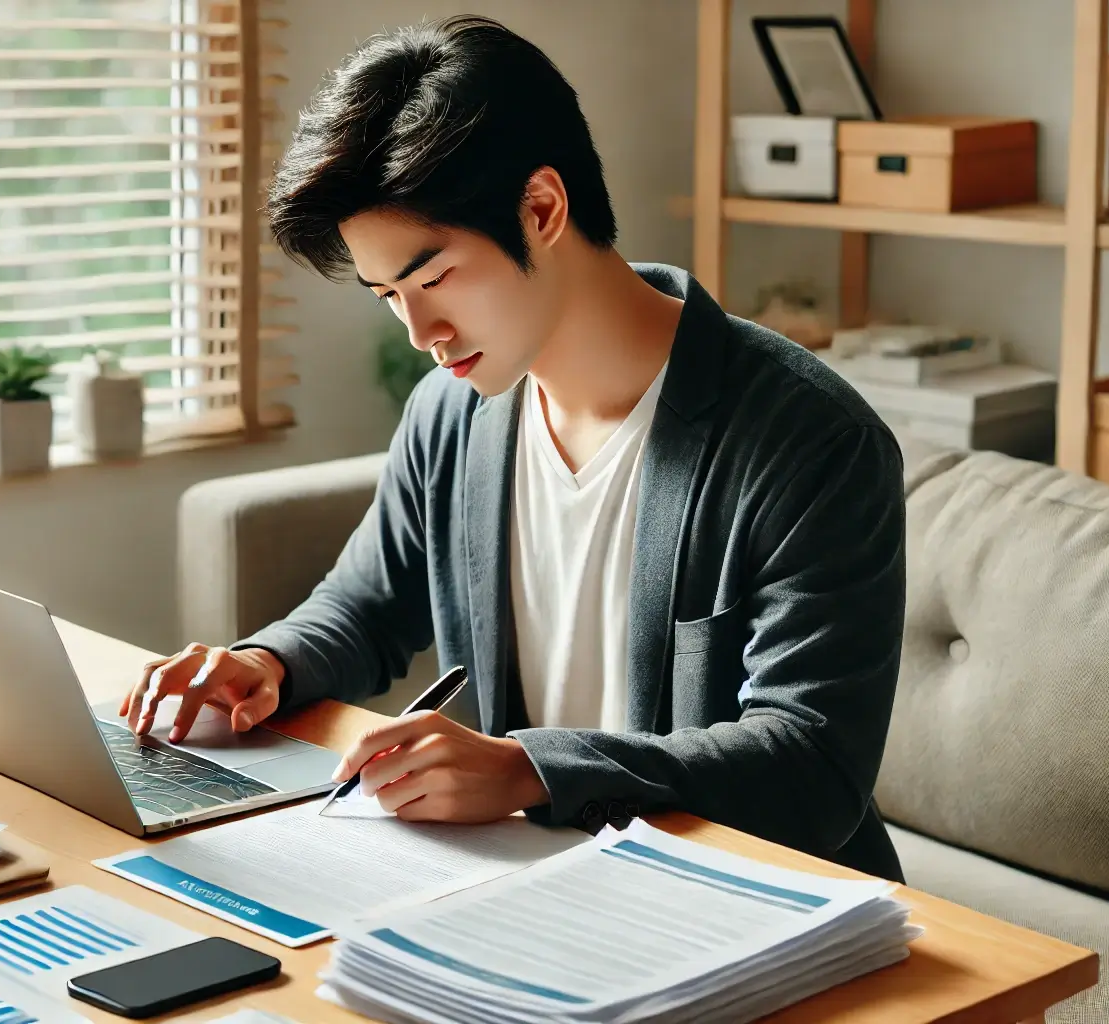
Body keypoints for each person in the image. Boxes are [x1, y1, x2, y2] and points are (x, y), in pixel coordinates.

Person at [119, 14, 906, 880]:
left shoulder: (809, 441)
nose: (421, 331)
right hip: (537, 880)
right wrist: (264, 663)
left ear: (541, 208)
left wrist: (534, 769)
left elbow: (814, 765)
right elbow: (369, 606)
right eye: (387, 294)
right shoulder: (449, 415)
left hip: (758, 903)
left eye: (433, 278)